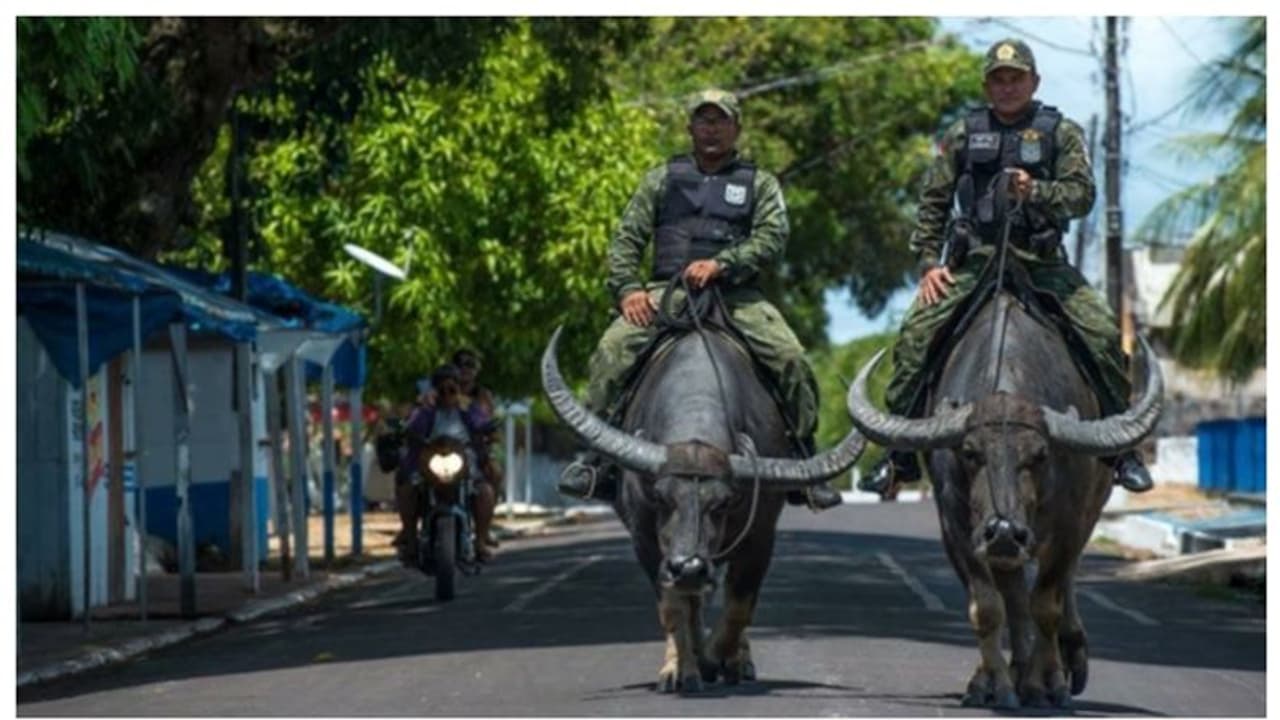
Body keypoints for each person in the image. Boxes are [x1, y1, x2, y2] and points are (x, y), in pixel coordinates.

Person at [860, 38, 1153, 496]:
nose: (1007, 86)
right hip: (975, 261)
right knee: (916, 336)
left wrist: (1034, 191)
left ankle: (1121, 451)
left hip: (1041, 262)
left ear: (1033, 82)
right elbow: (933, 201)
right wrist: (927, 265)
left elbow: (1082, 196)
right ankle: (898, 455)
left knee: (1101, 337)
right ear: (987, 85)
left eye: (1016, 78)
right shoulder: (961, 133)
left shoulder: (1061, 132)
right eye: (998, 79)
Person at [557, 88, 842, 511]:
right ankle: (595, 460)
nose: (712, 128)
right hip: (665, 293)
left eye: (720, 120)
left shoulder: (759, 183)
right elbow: (626, 240)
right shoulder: (661, 178)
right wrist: (628, 290)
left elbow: (772, 238)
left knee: (792, 360)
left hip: (736, 296)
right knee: (611, 352)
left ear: (736, 128)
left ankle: (803, 459)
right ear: (690, 127)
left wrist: (723, 264)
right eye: (703, 120)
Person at [393, 364, 498, 565]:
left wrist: (487, 429)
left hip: (465, 465)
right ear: (435, 389)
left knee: (485, 491)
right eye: (442, 388)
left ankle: (481, 542)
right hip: (428, 466)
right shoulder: (425, 412)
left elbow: (483, 424)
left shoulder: (469, 409)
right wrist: (407, 428)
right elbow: (411, 428)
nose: (447, 393)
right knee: (407, 489)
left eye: (452, 388)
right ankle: (411, 540)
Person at [452, 348, 502, 548]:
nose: (465, 369)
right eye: (460, 364)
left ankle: (483, 533)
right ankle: (409, 531)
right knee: (408, 478)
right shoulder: (438, 391)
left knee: (494, 474)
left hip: (472, 450)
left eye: (470, 365)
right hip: (440, 449)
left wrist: (489, 434)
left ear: (477, 370)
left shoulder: (482, 395)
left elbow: (487, 421)